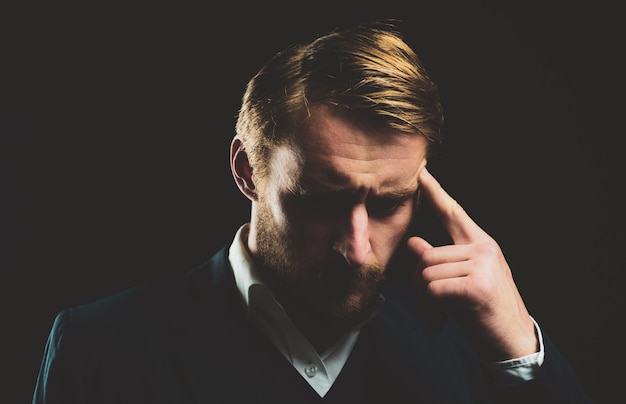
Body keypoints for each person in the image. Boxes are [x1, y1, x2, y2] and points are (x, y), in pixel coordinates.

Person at [32, 20, 592, 403]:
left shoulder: (477, 348)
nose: (357, 246)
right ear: (247, 171)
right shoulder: (101, 346)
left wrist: (521, 349)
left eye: (389, 203)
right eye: (322, 201)